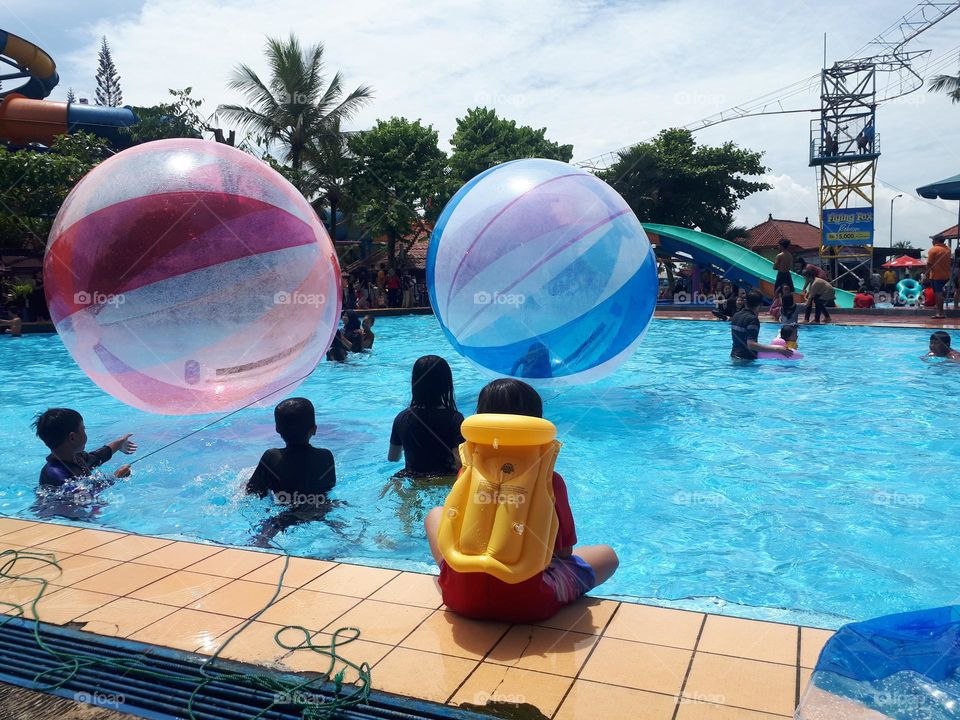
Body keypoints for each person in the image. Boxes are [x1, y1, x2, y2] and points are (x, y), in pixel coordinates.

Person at [424, 378, 619, 622]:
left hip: (459, 597)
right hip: (528, 605)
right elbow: (564, 552)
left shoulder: (468, 473)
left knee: (435, 513)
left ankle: (452, 577)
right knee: (607, 556)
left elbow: (453, 533)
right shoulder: (549, 481)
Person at [246, 398, 335, 502]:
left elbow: (252, 491)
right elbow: (328, 488)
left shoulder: (271, 457)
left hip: (287, 515)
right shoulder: (326, 456)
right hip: (321, 510)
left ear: (277, 429)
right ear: (314, 429)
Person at [388, 356, 464, 476]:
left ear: (415, 384)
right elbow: (460, 463)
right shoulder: (455, 419)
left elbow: (393, 457)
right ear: (446, 385)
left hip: (410, 478)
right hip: (444, 479)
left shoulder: (402, 418)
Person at [32, 408, 136, 489]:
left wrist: (119, 444)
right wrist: (115, 477)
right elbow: (81, 496)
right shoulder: (54, 473)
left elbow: (97, 457)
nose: (85, 432)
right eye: (83, 429)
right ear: (72, 437)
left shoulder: (77, 458)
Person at [731, 291, 793, 361]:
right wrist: (777, 349)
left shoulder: (736, 315)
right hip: (746, 359)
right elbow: (751, 345)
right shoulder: (752, 320)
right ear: (759, 305)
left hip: (734, 356)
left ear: (745, 302)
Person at [926, 237, 951, 319]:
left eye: (933, 240)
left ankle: (940, 313)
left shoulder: (933, 250)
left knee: (938, 294)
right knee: (940, 293)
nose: (932, 241)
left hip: (936, 275)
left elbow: (929, 264)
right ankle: (940, 311)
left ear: (936, 240)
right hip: (946, 275)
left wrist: (926, 276)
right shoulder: (948, 249)